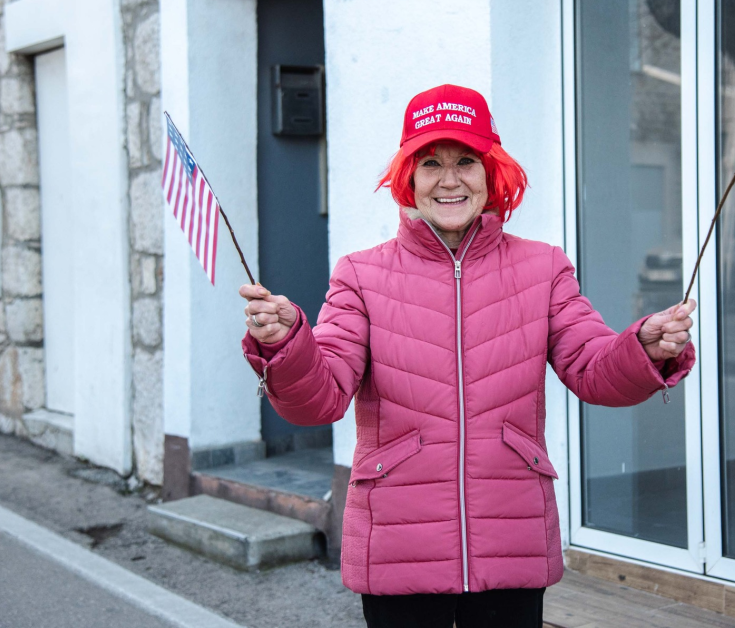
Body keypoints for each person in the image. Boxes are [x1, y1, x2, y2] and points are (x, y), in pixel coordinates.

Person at [239, 84, 696, 628]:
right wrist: (287, 344)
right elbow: (323, 396)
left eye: (466, 162)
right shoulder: (360, 275)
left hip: (511, 535)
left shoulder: (543, 268)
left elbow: (595, 370)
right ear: (409, 177)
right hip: (398, 539)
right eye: (430, 162)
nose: (449, 179)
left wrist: (642, 345)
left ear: (492, 173)